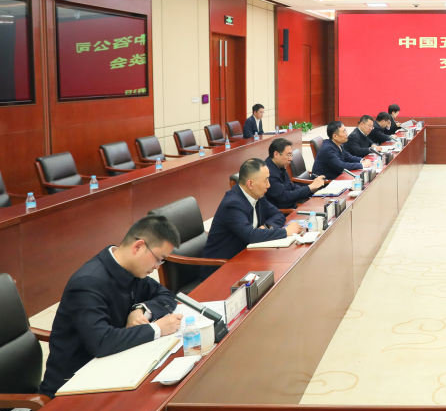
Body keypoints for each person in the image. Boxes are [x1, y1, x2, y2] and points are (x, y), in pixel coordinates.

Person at [39, 216, 184, 397]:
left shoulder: (132, 270)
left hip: (112, 366)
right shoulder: (87, 282)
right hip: (73, 385)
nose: (157, 267)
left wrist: (140, 309)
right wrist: (157, 329)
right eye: (158, 259)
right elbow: (101, 342)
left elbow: (167, 296)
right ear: (138, 247)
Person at [200, 158, 302, 279]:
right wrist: (285, 231)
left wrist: (267, 227)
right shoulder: (232, 204)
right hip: (220, 269)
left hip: (246, 257)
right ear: (250, 184)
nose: (269, 185)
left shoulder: (257, 195)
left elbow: (278, 215)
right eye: (266, 180)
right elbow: (250, 235)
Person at [264, 137, 325, 210]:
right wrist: (309, 187)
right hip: (284, 212)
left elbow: (290, 186)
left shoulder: (279, 165)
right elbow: (284, 197)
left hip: (292, 206)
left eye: (291, 155)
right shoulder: (268, 173)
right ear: (276, 154)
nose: (291, 159)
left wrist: (311, 189)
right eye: (288, 155)